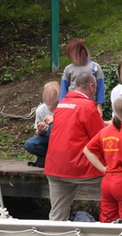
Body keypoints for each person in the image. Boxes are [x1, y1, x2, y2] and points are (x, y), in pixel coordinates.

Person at [44, 72, 105, 221]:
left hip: (54, 167)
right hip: (77, 166)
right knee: (117, 179)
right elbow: (100, 139)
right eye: (95, 88)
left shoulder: (62, 104)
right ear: (91, 87)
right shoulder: (88, 107)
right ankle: (114, 223)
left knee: (57, 215)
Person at [83, 97, 122, 223]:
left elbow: (87, 150)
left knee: (107, 221)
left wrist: (103, 168)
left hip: (108, 181)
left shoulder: (104, 131)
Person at [60, 39, 105, 116]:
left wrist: (99, 106)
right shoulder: (68, 69)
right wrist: (62, 105)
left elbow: (100, 88)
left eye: (76, 54)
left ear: (84, 51)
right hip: (71, 104)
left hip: (89, 104)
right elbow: (64, 88)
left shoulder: (95, 67)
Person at [24, 81, 60, 168]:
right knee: (29, 144)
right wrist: (40, 129)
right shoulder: (40, 110)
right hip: (47, 138)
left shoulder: (63, 107)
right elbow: (38, 133)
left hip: (60, 139)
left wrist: (55, 119)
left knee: (52, 126)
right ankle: (49, 157)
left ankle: (56, 158)